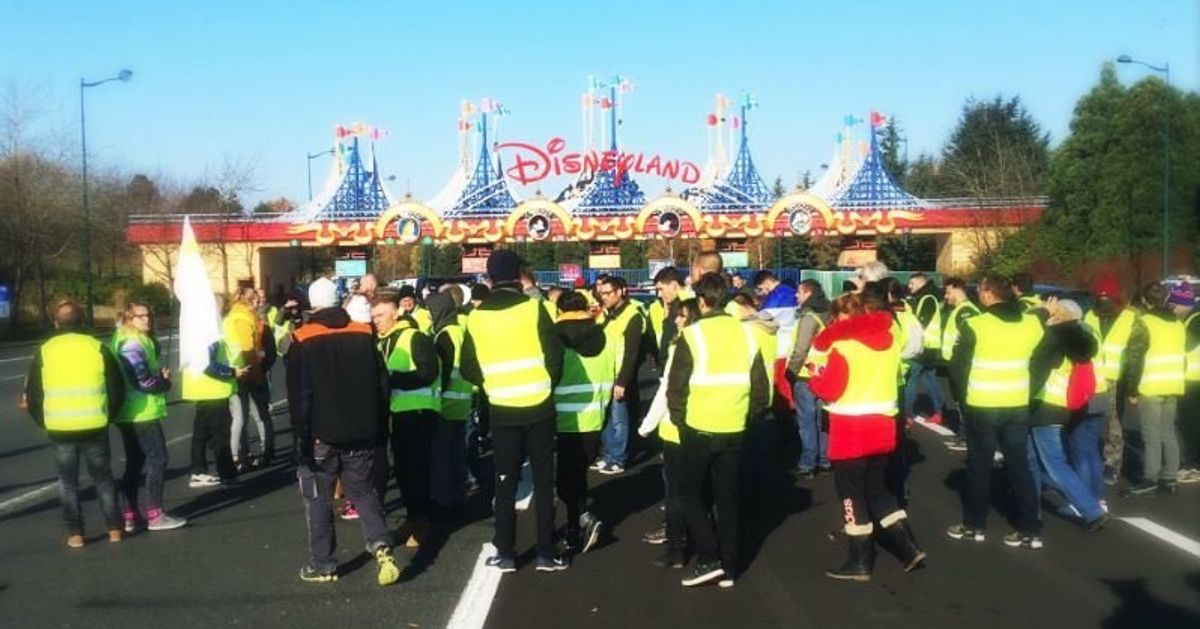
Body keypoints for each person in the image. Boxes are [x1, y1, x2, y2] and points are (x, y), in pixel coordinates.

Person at [287, 277, 400, 586]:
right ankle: (381, 544)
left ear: (312, 305)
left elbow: (300, 397)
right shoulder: (364, 333)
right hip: (362, 430)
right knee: (363, 491)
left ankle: (323, 563)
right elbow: (381, 385)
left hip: (322, 434)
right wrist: (379, 426)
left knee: (318, 498)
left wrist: (301, 437)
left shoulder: (301, 339)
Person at [461, 249, 566, 573]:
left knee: (504, 482)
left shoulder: (476, 317)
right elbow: (555, 356)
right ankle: (546, 552)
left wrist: (491, 382)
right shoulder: (535, 309)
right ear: (519, 274)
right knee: (544, 480)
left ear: (490, 278)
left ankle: (505, 551)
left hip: (502, 408)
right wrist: (545, 383)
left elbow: (467, 367)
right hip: (539, 406)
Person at [808, 293, 925, 581]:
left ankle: (860, 560)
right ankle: (909, 548)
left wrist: (814, 376)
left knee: (851, 498)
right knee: (879, 491)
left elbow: (830, 389)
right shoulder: (888, 344)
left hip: (851, 431)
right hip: (882, 429)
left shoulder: (843, 348)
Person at [668, 272, 769, 588]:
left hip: (698, 428)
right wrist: (745, 419)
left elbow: (677, 388)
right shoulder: (749, 336)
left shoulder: (693, 336)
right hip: (734, 428)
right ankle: (730, 566)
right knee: (727, 499)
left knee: (690, 494)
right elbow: (760, 392)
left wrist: (682, 422)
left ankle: (709, 556)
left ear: (701, 301)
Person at [946, 275, 1045, 549]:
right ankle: (1030, 528)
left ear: (989, 294)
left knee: (980, 466)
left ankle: (974, 526)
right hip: (1016, 403)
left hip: (982, 403)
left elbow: (958, 367)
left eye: (980, 291)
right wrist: (1029, 386)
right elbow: (1041, 358)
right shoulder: (1031, 324)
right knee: (1019, 466)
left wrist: (962, 399)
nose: (979, 295)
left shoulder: (975, 324)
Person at [25, 300, 126, 548]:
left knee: (68, 482)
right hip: (94, 421)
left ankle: (76, 534)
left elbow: (34, 393)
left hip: (60, 425)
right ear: (81, 321)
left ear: (56, 322)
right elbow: (116, 388)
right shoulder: (96, 347)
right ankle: (114, 529)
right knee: (103, 478)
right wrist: (107, 415)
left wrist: (43, 420)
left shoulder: (46, 350)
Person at [1027, 297, 1106, 529]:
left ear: (1059, 317)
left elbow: (1036, 372)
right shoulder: (1080, 340)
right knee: (1031, 460)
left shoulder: (1054, 340)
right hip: (1060, 405)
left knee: (1054, 464)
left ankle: (1091, 510)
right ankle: (1031, 511)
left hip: (1045, 406)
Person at [111, 302, 187, 532]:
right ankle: (155, 513)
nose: (146, 319)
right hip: (140, 412)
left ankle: (130, 513)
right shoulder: (131, 344)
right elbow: (143, 382)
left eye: (148, 315)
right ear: (128, 319)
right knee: (158, 459)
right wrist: (163, 382)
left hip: (131, 411)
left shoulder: (134, 340)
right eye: (139, 316)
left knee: (136, 462)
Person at [638, 298, 701, 567]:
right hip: (702, 425)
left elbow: (666, 392)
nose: (676, 320)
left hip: (676, 429)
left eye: (682, 316)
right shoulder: (708, 346)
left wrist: (645, 426)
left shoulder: (681, 347)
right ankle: (699, 540)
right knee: (698, 489)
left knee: (675, 492)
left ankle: (676, 547)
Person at [553, 290, 612, 555]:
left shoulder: (556, 337)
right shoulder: (604, 336)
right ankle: (578, 523)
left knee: (565, 479)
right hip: (596, 415)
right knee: (578, 474)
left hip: (564, 417)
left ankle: (581, 521)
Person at [379, 288, 441, 543]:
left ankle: (422, 524)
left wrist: (393, 380)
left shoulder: (415, 337)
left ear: (396, 313)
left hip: (418, 414)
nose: (376, 320)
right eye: (374, 315)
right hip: (397, 416)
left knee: (417, 472)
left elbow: (429, 372)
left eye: (381, 314)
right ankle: (413, 519)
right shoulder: (383, 341)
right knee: (404, 473)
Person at [1122, 282, 1187, 496]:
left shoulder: (1144, 323)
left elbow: (1135, 358)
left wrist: (1132, 389)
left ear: (1144, 300)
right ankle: (1170, 477)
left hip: (1151, 384)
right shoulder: (1177, 324)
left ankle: (1150, 477)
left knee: (1150, 435)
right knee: (1168, 432)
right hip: (1173, 383)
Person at [186, 294, 246, 489]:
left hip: (202, 388)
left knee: (201, 433)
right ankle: (227, 474)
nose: (222, 309)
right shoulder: (209, 331)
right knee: (220, 435)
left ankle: (198, 471)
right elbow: (207, 363)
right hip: (213, 389)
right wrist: (231, 372)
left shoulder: (198, 327)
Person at [1083, 275, 1138, 485]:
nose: (1103, 302)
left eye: (1107, 298)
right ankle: (1088, 460)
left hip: (1114, 379)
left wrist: (1132, 386)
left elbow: (1136, 354)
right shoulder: (1089, 316)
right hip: (1091, 377)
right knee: (1087, 421)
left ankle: (1112, 464)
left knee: (1113, 424)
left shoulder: (1130, 318)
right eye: (1100, 298)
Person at [594, 275, 648, 475]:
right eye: (601, 294)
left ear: (619, 292)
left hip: (620, 376)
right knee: (608, 418)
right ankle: (607, 454)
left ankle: (618, 458)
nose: (604, 297)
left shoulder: (632, 315)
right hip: (606, 374)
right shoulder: (606, 314)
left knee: (619, 419)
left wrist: (622, 381)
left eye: (607, 293)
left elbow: (631, 352)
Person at [428, 292, 472, 513]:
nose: (428, 316)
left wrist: (434, 400)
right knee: (457, 455)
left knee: (442, 457)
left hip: (446, 404)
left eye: (431, 311)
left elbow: (443, 372)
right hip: (462, 401)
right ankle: (459, 497)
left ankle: (444, 501)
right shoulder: (460, 330)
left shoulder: (444, 335)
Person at [226, 286, 274, 470]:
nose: (259, 301)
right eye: (255, 298)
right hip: (247, 372)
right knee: (253, 415)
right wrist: (258, 373)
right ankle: (241, 456)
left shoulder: (235, 316)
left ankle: (243, 455)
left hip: (239, 371)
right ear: (246, 300)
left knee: (242, 416)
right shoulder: (244, 318)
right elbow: (248, 350)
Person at [787, 279, 831, 477]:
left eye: (799, 292)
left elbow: (801, 348)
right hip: (825, 373)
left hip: (806, 374)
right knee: (822, 421)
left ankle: (807, 464)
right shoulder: (829, 314)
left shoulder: (809, 317)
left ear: (807, 293)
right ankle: (824, 460)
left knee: (806, 421)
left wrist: (791, 371)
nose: (796, 296)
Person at [940, 277, 980, 452]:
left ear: (957, 289)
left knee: (965, 403)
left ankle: (967, 437)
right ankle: (965, 435)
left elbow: (969, 340)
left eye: (948, 292)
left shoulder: (966, 311)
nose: (946, 296)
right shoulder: (959, 310)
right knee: (960, 402)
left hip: (964, 365)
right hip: (956, 364)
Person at [905, 273, 945, 424]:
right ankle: (938, 411)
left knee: (911, 379)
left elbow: (920, 323)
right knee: (930, 380)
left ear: (921, 283)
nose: (910, 287)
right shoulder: (929, 296)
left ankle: (908, 414)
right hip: (930, 346)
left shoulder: (927, 298)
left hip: (923, 346)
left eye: (912, 283)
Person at [1181, 290, 1200, 484]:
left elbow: (1185, 346)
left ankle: (1192, 465)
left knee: (1190, 424)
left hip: (1193, 378)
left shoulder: (1194, 320)